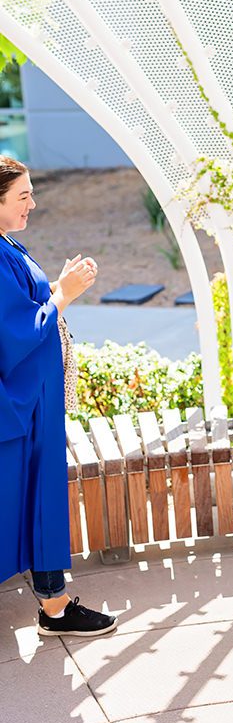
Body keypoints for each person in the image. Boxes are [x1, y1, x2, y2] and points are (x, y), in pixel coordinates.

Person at [0, 155, 117, 637]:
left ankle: (55, 602)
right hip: (20, 409)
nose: (33, 202)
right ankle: (55, 606)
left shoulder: (8, 245)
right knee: (30, 499)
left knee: (30, 499)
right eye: (23, 195)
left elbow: (24, 306)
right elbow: (15, 333)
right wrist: (62, 296)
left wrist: (56, 287)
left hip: (32, 406)